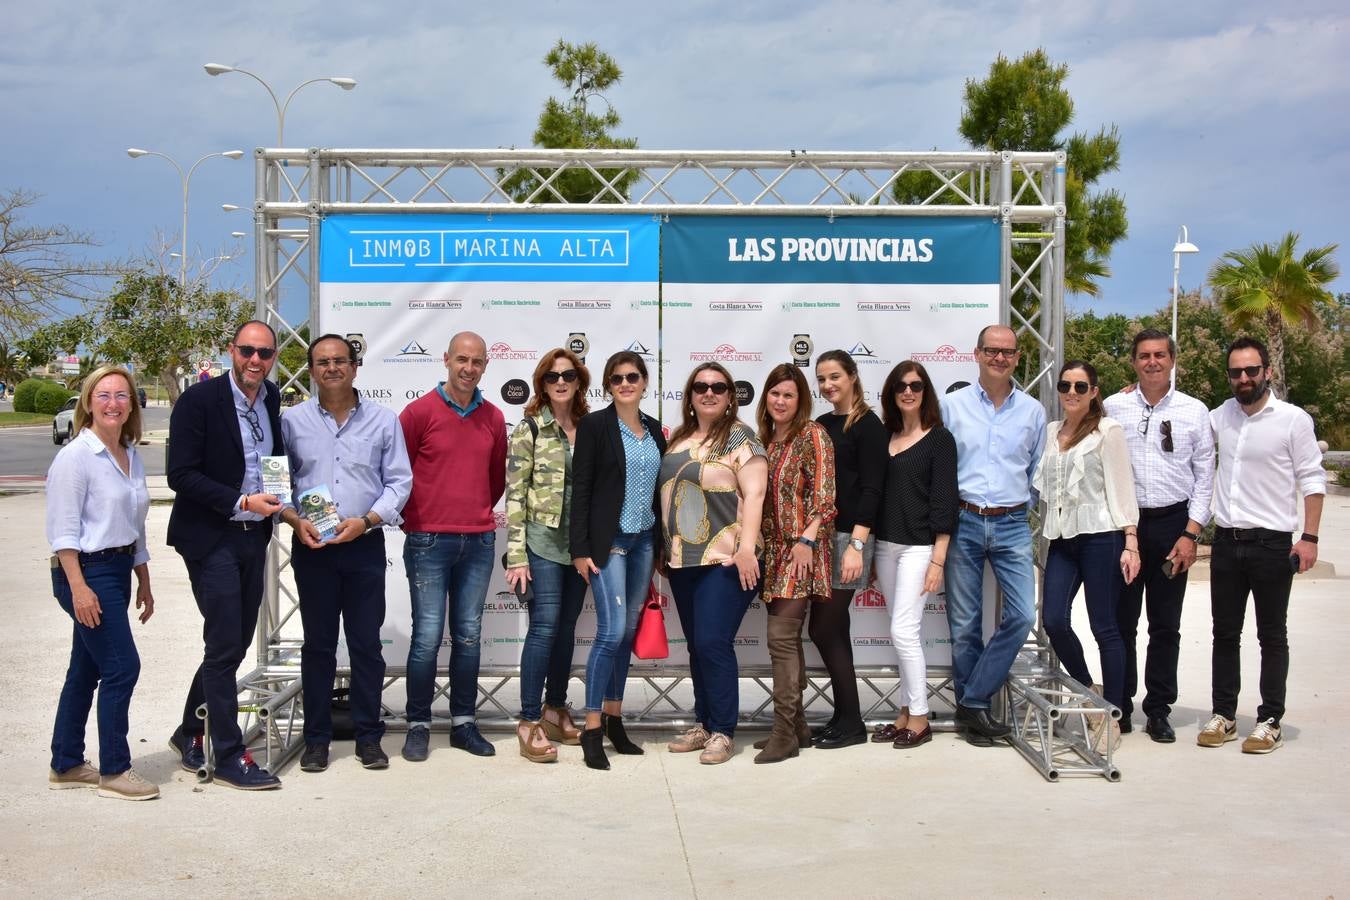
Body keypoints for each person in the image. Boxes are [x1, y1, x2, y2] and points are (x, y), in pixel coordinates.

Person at [281, 335, 411, 774]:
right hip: (312, 547)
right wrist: (291, 518)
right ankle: (316, 741)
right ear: (311, 370)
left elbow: (399, 482)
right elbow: (280, 483)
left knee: (365, 646)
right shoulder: (291, 421)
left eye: (340, 361)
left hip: (364, 545)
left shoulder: (383, 421)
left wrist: (369, 520)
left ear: (355, 367)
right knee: (318, 646)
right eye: (322, 362)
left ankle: (368, 737)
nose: (331, 368)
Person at [167, 319, 285, 790]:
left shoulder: (272, 399)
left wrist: (281, 504)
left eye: (264, 353)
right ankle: (230, 755)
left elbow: (271, 464)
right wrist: (239, 502)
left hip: (252, 537)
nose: (255, 361)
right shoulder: (198, 401)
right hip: (210, 536)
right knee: (223, 645)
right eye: (247, 351)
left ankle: (189, 731)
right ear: (231, 352)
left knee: (234, 644)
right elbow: (181, 475)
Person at [1200, 337, 1325, 754]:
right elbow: (1183, 424)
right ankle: (1225, 715)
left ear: (1267, 371)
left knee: (1272, 635)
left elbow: (1312, 479)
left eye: (1251, 370)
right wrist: (1134, 392)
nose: (1244, 378)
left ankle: (1270, 719)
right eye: (1236, 372)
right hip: (1226, 542)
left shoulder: (1293, 420)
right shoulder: (1221, 417)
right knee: (1224, 633)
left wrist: (1309, 537)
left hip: (1273, 545)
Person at [45, 365, 158, 800]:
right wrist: (78, 588)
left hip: (118, 568)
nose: (113, 404)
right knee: (122, 666)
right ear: (88, 402)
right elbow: (63, 532)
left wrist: (144, 579)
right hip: (85, 573)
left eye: (122, 396)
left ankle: (66, 763)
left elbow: (135, 525)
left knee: (86, 669)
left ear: (133, 404)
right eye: (104, 395)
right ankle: (115, 770)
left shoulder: (130, 452)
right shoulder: (75, 457)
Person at [398, 331, 507, 761]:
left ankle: (464, 723)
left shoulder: (495, 418)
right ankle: (418, 724)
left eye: (477, 361)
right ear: (445, 359)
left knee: (468, 635)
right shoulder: (418, 412)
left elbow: (495, 480)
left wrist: (473, 513)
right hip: (427, 540)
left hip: (478, 540)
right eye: (461, 359)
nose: (468, 367)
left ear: (485, 366)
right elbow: (398, 474)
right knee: (426, 637)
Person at [1102, 328, 1214, 742]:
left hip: (1173, 527)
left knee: (1165, 624)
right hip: (1125, 529)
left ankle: (1159, 709)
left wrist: (1191, 533)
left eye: (1160, 355)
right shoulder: (1113, 406)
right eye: (1144, 355)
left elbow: (1205, 478)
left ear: (1172, 360)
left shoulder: (1194, 410)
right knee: (1121, 621)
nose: (1152, 362)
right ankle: (1121, 703)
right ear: (1133, 361)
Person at [940, 324, 1046, 746]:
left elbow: (1038, 471)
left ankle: (973, 699)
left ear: (1018, 357)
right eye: (992, 351)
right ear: (977, 354)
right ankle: (975, 718)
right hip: (963, 521)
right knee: (965, 625)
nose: (1000, 358)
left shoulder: (1034, 411)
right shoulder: (952, 406)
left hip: (1012, 522)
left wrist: (1021, 509)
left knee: (1022, 616)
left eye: (1008, 352)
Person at [661, 362, 768, 765]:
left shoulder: (742, 438)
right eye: (701, 386)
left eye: (718, 387)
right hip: (682, 559)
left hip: (727, 558)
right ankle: (703, 723)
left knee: (712, 643)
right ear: (690, 394)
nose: (709, 393)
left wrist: (744, 550)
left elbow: (755, 496)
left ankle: (723, 730)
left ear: (729, 396)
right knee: (696, 646)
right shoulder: (678, 439)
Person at [1033, 361, 1140, 753]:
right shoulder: (1049, 432)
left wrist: (1131, 540)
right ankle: (1090, 695)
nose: (1072, 392)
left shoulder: (1107, 431)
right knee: (1054, 620)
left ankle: (1113, 713)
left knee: (1105, 627)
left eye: (1081, 386)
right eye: (1065, 385)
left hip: (1102, 537)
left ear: (1095, 391)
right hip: (1062, 538)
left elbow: (1121, 486)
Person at [569, 350, 666, 770]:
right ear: (607, 385)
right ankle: (591, 728)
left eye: (632, 377)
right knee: (609, 633)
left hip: (644, 541)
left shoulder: (656, 431)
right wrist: (580, 549)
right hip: (608, 545)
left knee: (627, 632)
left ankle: (613, 718)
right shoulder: (594, 426)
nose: (625, 384)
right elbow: (582, 489)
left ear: (645, 382)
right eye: (616, 378)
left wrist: (661, 545)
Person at [504, 348, 592, 764]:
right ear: (542, 383)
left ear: (579, 382)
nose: (560, 381)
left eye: (568, 375)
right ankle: (527, 720)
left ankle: (556, 707)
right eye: (552, 376)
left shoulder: (592, 427)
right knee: (544, 626)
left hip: (580, 546)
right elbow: (515, 495)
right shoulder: (529, 430)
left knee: (568, 627)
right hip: (541, 541)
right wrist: (517, 554)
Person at [871, 361, 958, 750]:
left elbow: (944, 502)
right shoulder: (885, 436)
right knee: (901, 631)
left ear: (926, 392)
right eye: (901, 386)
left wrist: (938, 558)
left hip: (920, 548)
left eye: (916, 385)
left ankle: (920, 717)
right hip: (886, 547)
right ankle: (905, 711)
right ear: (892, 393)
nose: (909, 392)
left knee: (904, 632)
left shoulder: (940, 439)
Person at [751, 364, 836, 763]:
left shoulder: (812, 435)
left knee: (782, 639)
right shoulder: (766, 440)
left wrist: (805, 540)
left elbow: (824, 497)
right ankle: (798, 725)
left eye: (788, 395)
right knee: (786, 642)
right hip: (772, 552)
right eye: (774, 393)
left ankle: (782, 731)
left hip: (801, 551)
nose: (780, 401)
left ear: (800, 400)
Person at [810, 349, 886, 749]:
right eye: (822, 378)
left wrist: (857, 544)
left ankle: (852, 720)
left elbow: (873, 489)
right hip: (824, 537)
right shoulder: (822, 424)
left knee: (823, 626)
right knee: (833, 628)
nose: (828, 385)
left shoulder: (869, 426)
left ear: (853, 377)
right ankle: (844, 717)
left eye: (835, 376)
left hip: (849, 540)